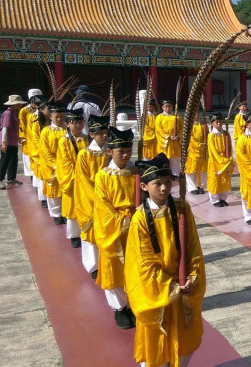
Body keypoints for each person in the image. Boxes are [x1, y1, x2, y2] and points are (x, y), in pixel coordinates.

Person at [126, 153, 206, 367]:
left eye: (167, 182)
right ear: (144, 186)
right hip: (157, 290)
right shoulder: (140, 218)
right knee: (156, 341)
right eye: (157, 183)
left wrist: (192, 275)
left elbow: (192, 246)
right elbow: (143, 263)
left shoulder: (181, 209)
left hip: (183, 285)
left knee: (184, 340)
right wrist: (170, 286)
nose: (163, 188)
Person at [94, 126, 137, 329]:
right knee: (113, 266)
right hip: (114, 229)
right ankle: (119, 307)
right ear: (110, 151)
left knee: (136, 266)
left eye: (128, 150)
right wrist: (125, 222)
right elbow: (103, 208)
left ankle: (135, 303)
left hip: (137, 226)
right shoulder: (103, 176)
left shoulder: (137, 171)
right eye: (121, 151)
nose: (126, 154)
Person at [75, 115, 109, 279]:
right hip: (91, 198)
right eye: (99, 133)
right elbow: (83, 181)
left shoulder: (110, 152)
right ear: (91, 135)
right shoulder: (84, 154)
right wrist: (96, 198)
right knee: (90, 231)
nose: (104, 135)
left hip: (107, 198)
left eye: (105, 132)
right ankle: (93, 266)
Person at [56, 108, 87, 248]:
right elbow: (65, 162)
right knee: (74, 208)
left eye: (80, 122)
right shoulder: (64, 141)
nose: (78, 125)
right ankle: (74, 236)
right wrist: (77, 177)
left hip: (87, 179)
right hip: (74, 179)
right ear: (67, 124)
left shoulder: (87, 139)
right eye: (74, 122)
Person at [40, 101, 68, 225]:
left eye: (61, 116)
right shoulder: (46, 131)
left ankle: (66, 212)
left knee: (66, 190)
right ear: (50, 116)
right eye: (56, 116)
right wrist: (55, 165)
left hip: (67, 166)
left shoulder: (68, 130)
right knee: (54, 191)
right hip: (52, 166)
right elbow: (45, 151)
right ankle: (56, 214)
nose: (59, 119)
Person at [0, 95, 26, 189]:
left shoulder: (14, 112)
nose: (20, 105)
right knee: (5, 160)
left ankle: (11, 178)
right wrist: (4, 142)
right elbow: (5, 128)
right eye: (18, 103)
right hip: (8, 141)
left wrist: (18, 138)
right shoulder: (8, 113)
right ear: (14, 104)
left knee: (13, 160)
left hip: (12, 141)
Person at [207, 113, 234, 207]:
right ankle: (215, 199)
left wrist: (229, 157)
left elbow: (229, 147)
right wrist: (221, 160)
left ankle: (223, 198)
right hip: (215, 161)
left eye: (220, 122)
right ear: (212, 124)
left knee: (224, 179)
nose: (219, 124)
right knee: (215, 180)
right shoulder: (211, 135)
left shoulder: (226, 134)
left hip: (225, 160)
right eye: (216, 122)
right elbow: (212, 150)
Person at [155, 100, 182, 178]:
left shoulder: (177, 117)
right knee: (165, 158)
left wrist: (179, 136)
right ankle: (165, 173)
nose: (168, 108)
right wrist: (168, 136)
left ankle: (175, 174)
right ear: (162, 107)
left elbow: (182, 128)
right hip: (166, 142)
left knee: (175, 158)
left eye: (169, 106)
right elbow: (158, 130)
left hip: (175, 141)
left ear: (172, 107)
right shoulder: (159, 117)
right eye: (166, 106)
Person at [19, 89, 41, 180]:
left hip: (39, 138)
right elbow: (22, 125)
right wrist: (23, 137)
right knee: (30, 161)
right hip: (29, 139)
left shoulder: (43, 109)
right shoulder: (24, 111)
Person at [185, 110, 208, 195]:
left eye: (197, 113)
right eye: (194, 113)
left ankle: (201, 186)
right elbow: (189, 138)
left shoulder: (203, 125)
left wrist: (206, 144)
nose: (196, 115)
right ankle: (192, 187)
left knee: (202, 169)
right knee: (191, 169)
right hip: (192, 149)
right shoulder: (188, 126)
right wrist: (199, 145)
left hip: (202, 150)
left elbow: (207, 136)